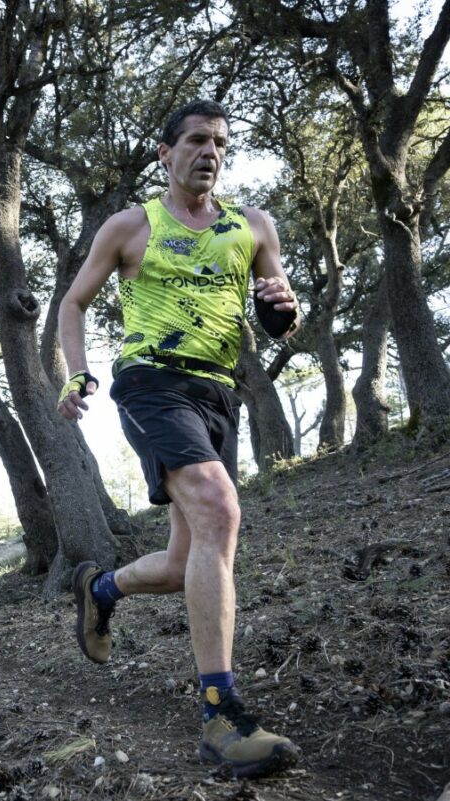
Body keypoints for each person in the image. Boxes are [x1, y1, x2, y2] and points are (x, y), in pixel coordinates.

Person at [56, 99, 301, 779]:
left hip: (218, 392)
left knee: (186, 559)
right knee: (221, 508)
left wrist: (282, 311)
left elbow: (279, 305)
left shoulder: (253, 226)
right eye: (196, 140)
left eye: (221, 142)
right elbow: (72, 303)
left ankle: (102, 588)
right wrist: (76, 373)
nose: (210, 151)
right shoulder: (132, 226)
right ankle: (220, 713)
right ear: (166, 153)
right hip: (151, 383)